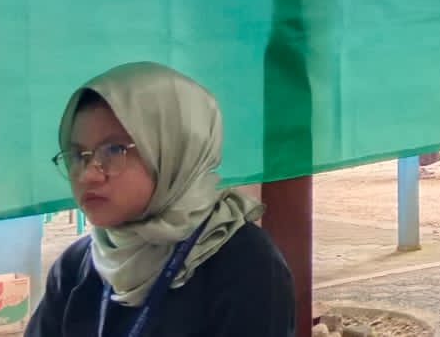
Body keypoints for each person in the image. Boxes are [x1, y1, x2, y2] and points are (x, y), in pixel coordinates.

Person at [26, 62, 295, 336]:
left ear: (175, 150)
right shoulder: (76, 266)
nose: (87, 175)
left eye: (114, 150)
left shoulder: (244, 264)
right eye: (77, 155)